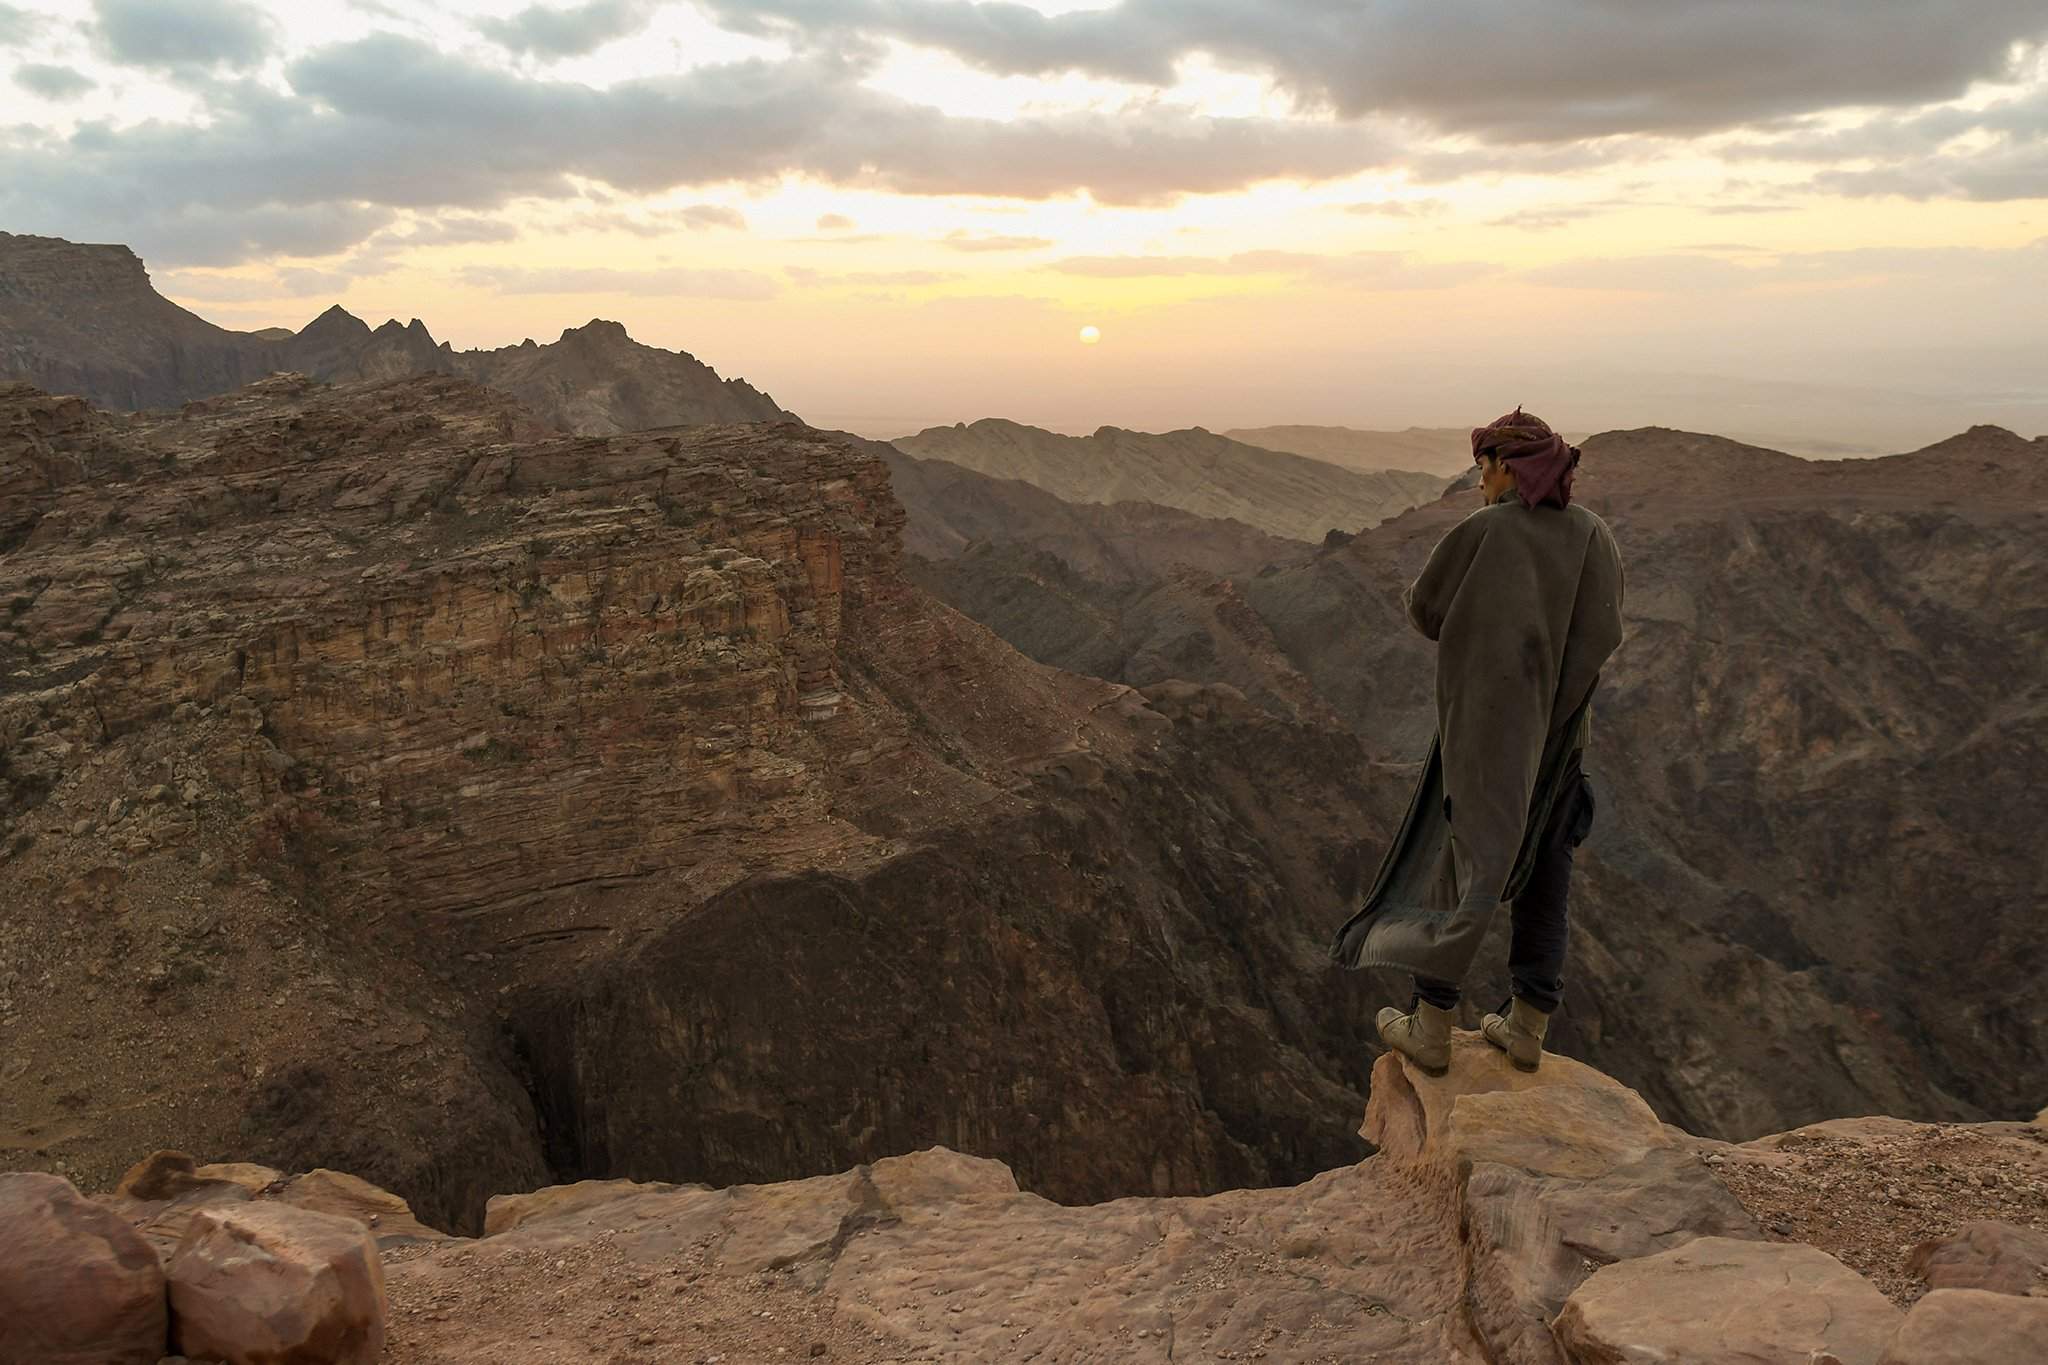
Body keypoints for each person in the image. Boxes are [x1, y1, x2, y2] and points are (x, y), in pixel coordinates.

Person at [1330, 408, 1624, 1074]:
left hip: (1487, 736)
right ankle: (1526, 1026)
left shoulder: (1484, 532)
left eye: (1482, 469)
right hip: (1561, 743)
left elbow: (1426, 609)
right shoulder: (1593, 536)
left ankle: (1431, 1024)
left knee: (1463, 870)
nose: (1478, 483)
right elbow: (1604, 634)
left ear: (1505, 467)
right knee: (1548, 873)